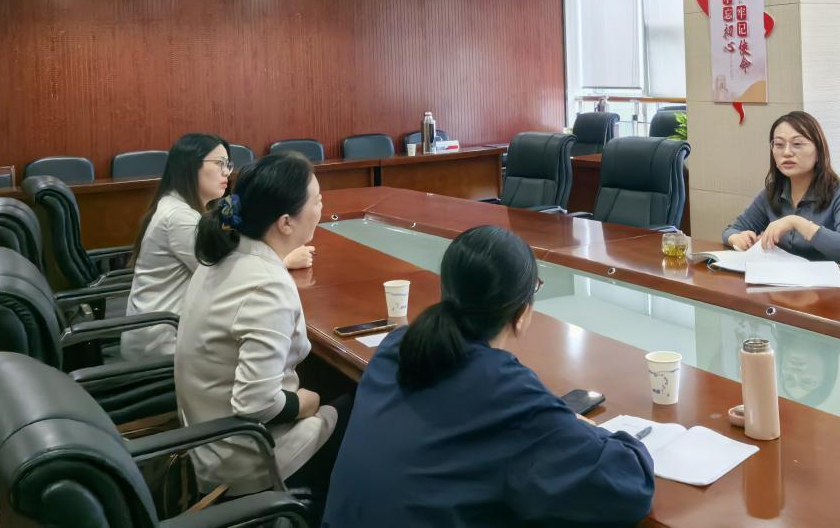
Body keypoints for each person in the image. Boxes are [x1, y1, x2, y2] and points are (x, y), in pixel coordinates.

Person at [322, 225, 655, 528]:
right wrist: (584, 428)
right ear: (522, 313)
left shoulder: (396, 345)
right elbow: (630, 485)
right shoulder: (506, 394)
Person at [175, 152, 347, 513]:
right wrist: (308, 402)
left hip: (207, 438)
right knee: (367, 401)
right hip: (246, 461)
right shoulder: (267, 286)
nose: (322, 207)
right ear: (285, 223)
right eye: (316, 200)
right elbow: (255, 404)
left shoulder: (223, 253)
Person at [121, 133, 314, 361]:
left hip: (168, 328)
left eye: (228, 164)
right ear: (190, 166)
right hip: (161, 341)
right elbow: (227, 277)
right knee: (271, 341)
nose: (227, 172)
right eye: (219, 163)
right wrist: (285, 260)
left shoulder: (179, 205)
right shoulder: (179, 218)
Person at [722, 111, 840, 267]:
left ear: (819, 151)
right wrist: (737, 238)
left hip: (831, 281)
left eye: (797, 144)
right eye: (779, 145)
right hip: (783, 280)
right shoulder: (772, 193)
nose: (787, 153)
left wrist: (797, 223)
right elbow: (732, 230)